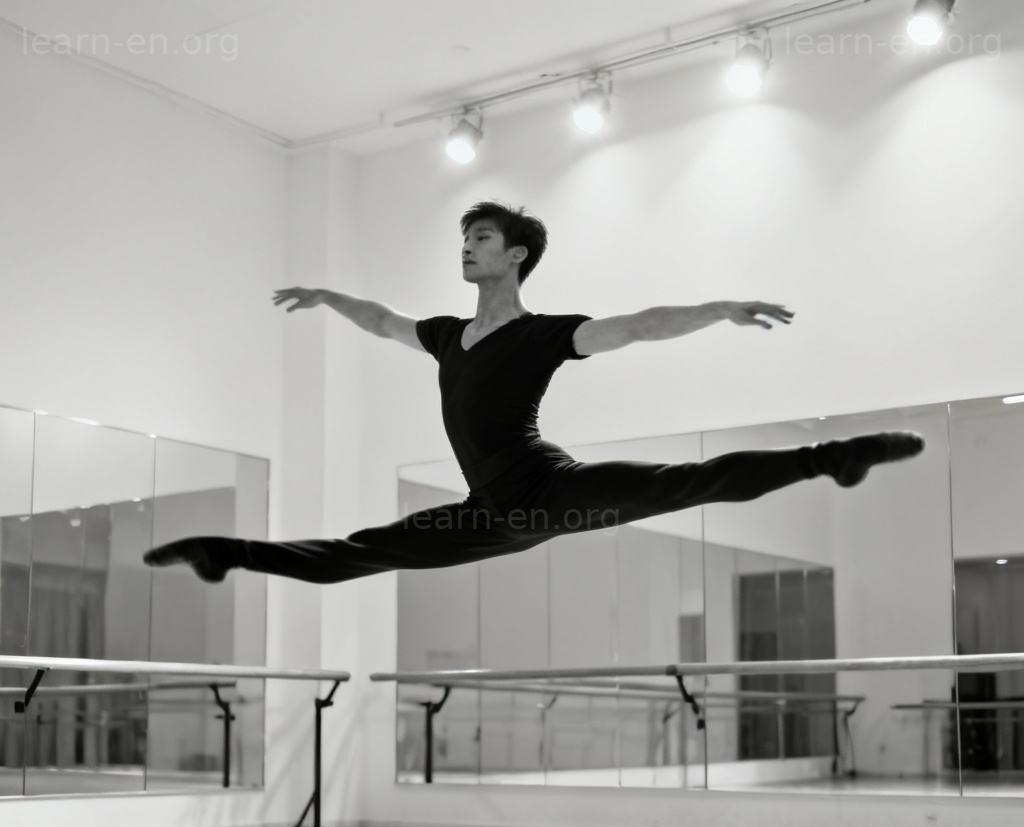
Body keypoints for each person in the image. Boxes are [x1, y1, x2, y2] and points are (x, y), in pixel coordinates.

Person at [143, 200, 923, 585]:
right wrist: (327, 295)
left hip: (549, 491)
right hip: (492, 515)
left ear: (514, 254)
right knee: (360, 552)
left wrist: (717, 309)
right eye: (464, 238)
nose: (467, 246)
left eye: (481, 238)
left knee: (687, 483)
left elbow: (638, 327)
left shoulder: (545, 334)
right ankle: (224, 552)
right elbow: (382, 320)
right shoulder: (448, 334)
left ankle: (834, 457)